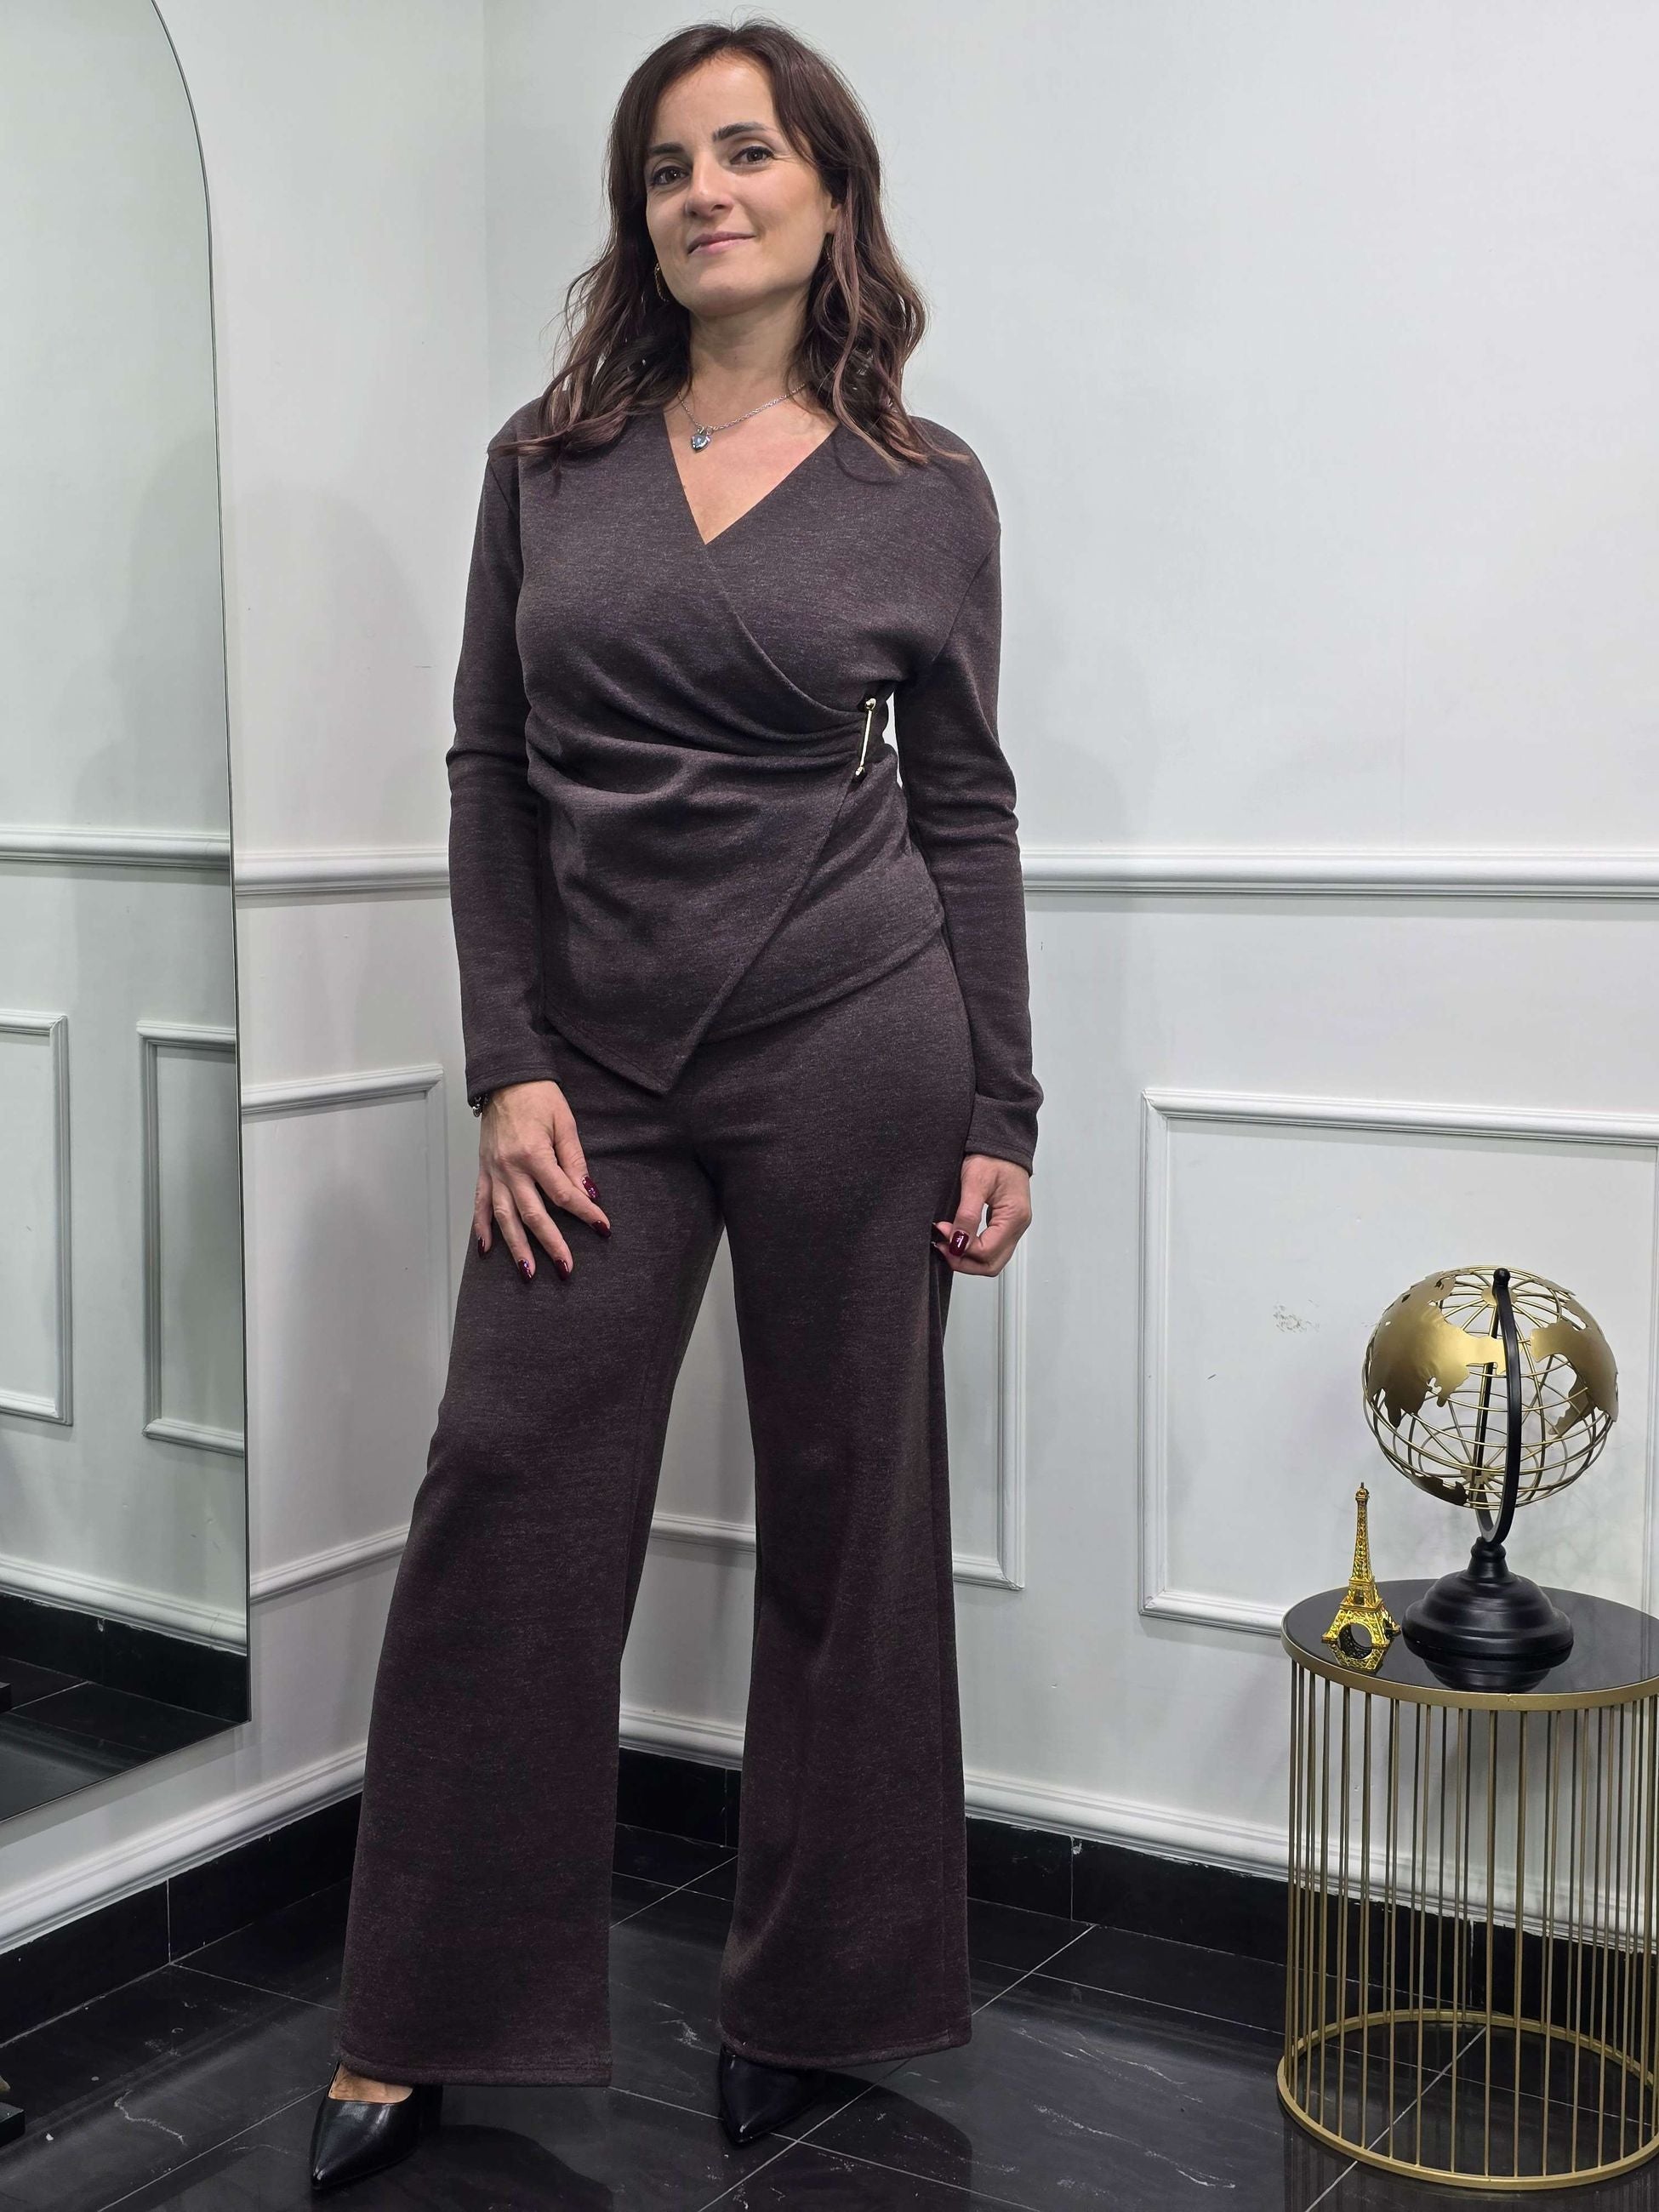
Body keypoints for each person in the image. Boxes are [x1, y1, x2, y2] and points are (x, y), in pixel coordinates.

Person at [308, 15, 1041, 2194]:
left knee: (850, 1522)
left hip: (860, 1040)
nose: (705, 192)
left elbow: (968, 803)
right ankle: (419, 2014)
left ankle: (820, 1999)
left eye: (747, 152)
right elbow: (487, 770)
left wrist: (1003, 1099)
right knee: (506, 1491)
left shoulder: (925, 490)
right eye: (665, 167)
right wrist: (507, 1060)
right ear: (638, 218)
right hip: (596, 1070)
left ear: (830, 191)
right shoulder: (548, 461)